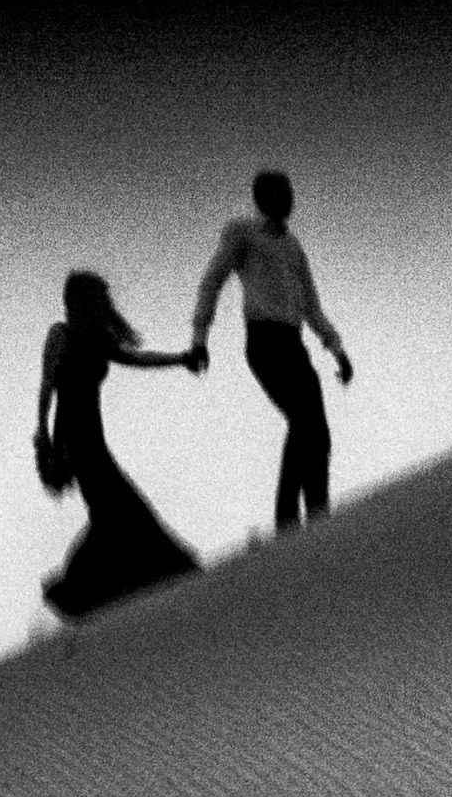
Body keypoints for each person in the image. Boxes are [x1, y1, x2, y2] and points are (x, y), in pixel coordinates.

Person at [185, 169, 353, 535]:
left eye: (289, 191)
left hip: (294, 343)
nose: (287, 199)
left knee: (315, 430)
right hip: (264, 342)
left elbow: (311, 305)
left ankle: (317, 516)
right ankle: (290, 522)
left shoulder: (294, 248)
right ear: (261, 199)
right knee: (306, 419)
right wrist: (200, 338)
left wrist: (337, 349)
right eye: (278, 192)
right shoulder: (242, 232)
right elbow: (212, 280)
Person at [35, 270, 201, 621]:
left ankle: (79, 590)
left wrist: (180, 359)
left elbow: (137, 359)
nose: (102, 305)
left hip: (93, 439)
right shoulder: (60, 335)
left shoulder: (98, 339)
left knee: (112, 512)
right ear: (77, 302)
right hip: (72, 441)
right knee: (118, 506)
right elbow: (47, 385)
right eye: (95, 298)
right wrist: (44, 439)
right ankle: (84, 589)